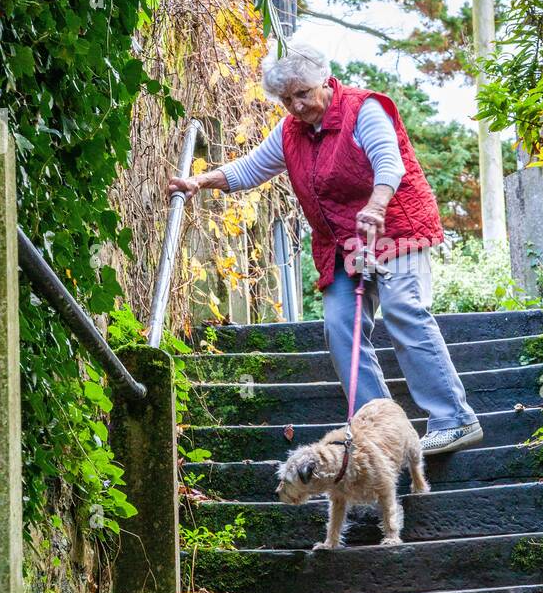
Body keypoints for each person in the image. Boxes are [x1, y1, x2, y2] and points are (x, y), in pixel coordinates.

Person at [168, 42, 483, 455]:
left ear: (324, 80)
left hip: (395, 224)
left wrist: (376, 204)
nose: (296, 106)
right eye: (286, 99)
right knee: (340, 329)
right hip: (340, 242)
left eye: (302, 93)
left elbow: (390, 162)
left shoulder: (363, 109)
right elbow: (250, 167)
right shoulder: (291, 133)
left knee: (405, 309)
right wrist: (198, 182)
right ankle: (377, 432)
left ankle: (454, 419)